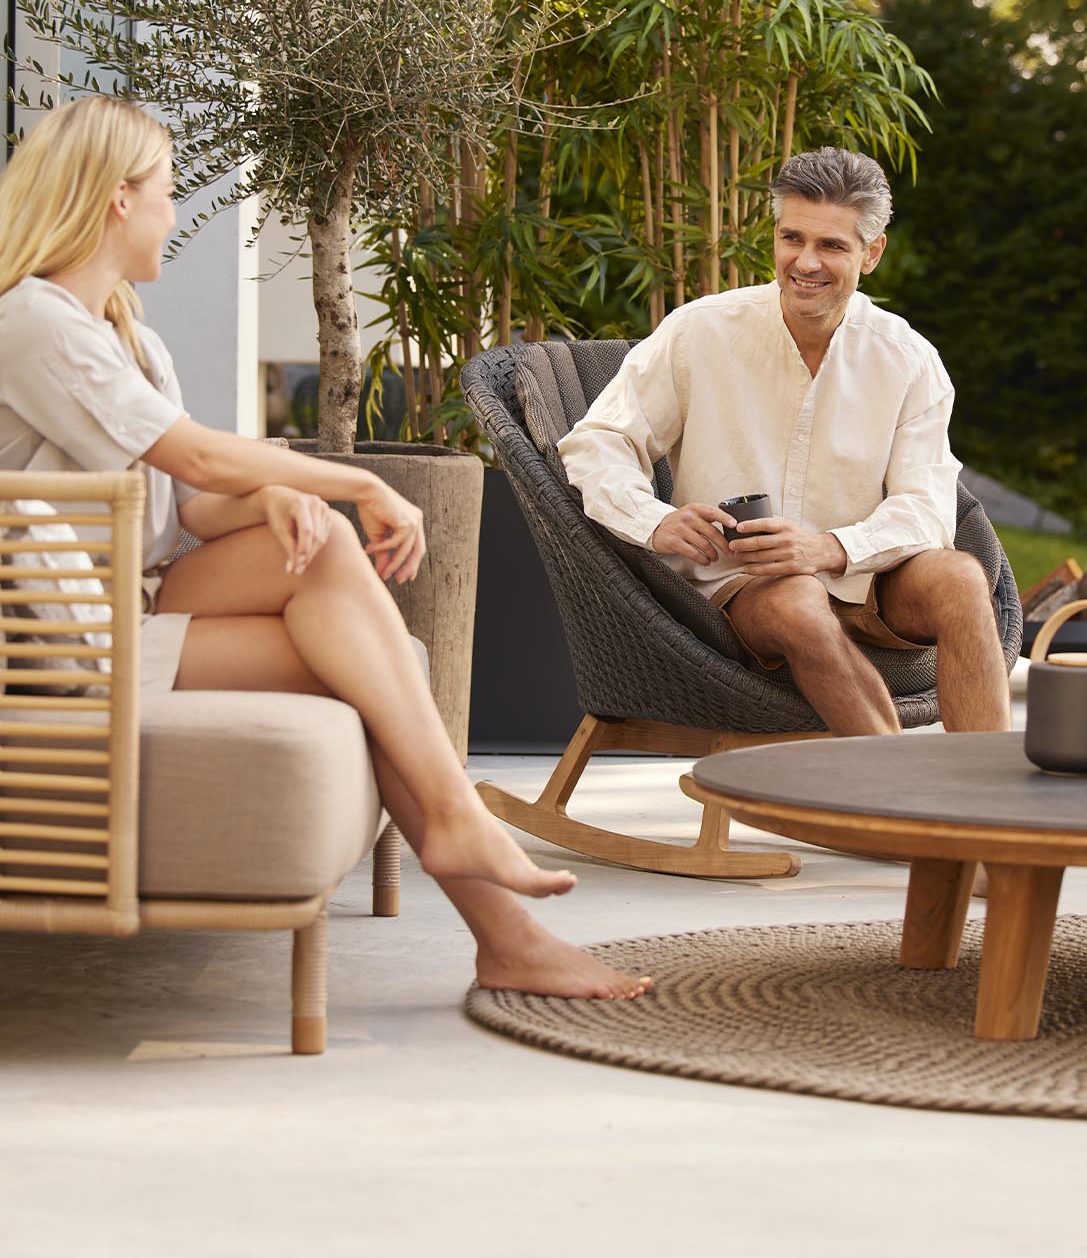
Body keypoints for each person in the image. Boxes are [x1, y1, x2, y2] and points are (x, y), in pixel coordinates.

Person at [0, 97, 648, 1000]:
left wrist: (277, 496)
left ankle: (502, 924)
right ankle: (490, 894)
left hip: (136, 598)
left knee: (336, 585)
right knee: (366, 662)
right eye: (166, 191)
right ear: (115, 199)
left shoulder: (127, 334)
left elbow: (192, 501)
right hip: (53, 640)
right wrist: (351, 481)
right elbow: (186, 452)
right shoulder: (31, 320)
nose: (173, 209)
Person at [559, 146, 1011, 736]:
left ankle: (989, 802)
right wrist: (652, 521)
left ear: (871, 254)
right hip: (745, 590)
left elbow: (927, 508)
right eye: (792, 238)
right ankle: (900, 797)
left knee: (960, 578)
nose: (806, 262)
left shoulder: (908, 358)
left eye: (832, 245)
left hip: (867, 580)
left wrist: (830, 548)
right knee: (798, 599)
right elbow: (597, 441)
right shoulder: (701, 331)